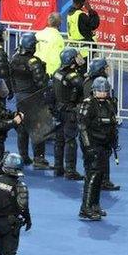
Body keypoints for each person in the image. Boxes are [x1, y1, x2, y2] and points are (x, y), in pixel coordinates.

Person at [78, 77, 120, 220]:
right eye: (99, 91)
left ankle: (95, 205)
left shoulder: (109, 104)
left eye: (105, 91)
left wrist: (113, 142)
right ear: (94, 91)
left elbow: (113, 125)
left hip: (104, 146)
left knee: (99, 177)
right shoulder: (88, 104)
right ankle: (86, 208)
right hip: (93, 146)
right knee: (92, 176)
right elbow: (82, 127)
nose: (102, 93)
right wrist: (88, 147)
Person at [11, 33, 50, 168]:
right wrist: (46, 77)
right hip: (33, 97)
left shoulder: (14, 58)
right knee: (38, 127)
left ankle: (23, 156)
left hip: (20, 97)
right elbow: (41, 82)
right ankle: (39, 159)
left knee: (22, 127)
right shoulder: (34, 62)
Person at [53, 48, 85, 180]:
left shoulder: (57, 72)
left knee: (59, 140)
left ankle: (58, 168)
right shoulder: (73, 76)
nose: (80, 58)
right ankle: (70, 170)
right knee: (70, 140)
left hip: (58, 110)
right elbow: (82, 88)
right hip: (69, 111)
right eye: (76, 57)